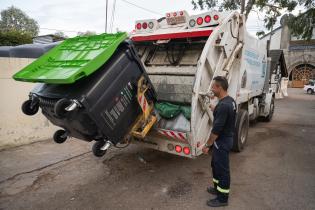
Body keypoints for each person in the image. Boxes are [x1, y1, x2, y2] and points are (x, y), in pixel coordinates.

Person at [202, 76, 237, 207]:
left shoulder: (223, 106)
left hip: (221, 142)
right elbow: (223, 113)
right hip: (225, 140)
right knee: (216, 166)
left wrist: (207, 146)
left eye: (213, 87)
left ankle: (222, 199)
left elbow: (216, 131)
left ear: (219, 88)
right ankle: (217, 189)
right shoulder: (229, 101)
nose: (211, 89)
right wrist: (213, 107)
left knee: (222, 170)